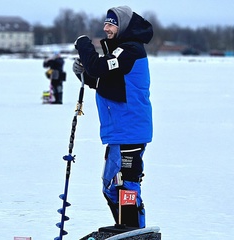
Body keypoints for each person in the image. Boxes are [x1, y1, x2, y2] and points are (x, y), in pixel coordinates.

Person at [73, 6, 153, 228]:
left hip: (130, 129)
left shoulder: (130, 50)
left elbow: (98, 67)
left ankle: (133, 230)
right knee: (110, 185)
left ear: (123, 26)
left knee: (126, 184)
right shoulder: (122, 51)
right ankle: (125, 227)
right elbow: (108, 84)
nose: (105, 28)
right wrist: (83, 74)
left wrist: (83, 44)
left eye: (111, 24)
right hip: (119, 131)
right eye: (106, 23)